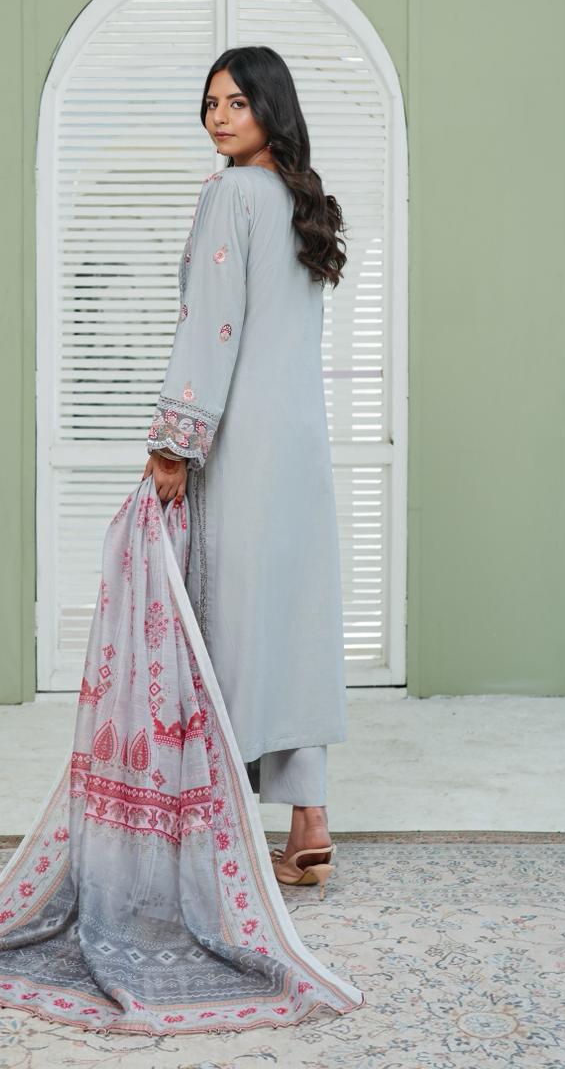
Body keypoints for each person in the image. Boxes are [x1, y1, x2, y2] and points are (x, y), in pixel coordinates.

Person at [142, 45, 349, 891]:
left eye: (236, 102)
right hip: (301, 443)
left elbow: (212, 326)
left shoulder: (231, 194)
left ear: (271, 108)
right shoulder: (304, 203)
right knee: (290, 625)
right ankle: (309, 826)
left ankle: (211, 833)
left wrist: (174, 442)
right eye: (211, 103)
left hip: (240, 443)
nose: (219, 117)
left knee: (221, 625)